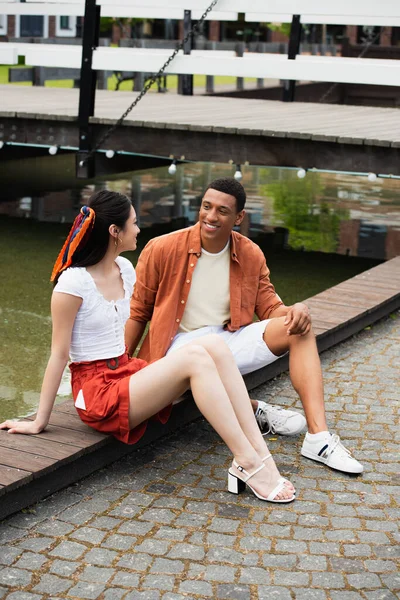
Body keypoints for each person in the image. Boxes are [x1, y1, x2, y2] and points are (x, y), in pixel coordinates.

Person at [0, 190, 296, 503]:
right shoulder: (72, 285)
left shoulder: (126, 270)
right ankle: (247, 462)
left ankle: (262, 459)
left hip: (126, 372)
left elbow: (136, 324)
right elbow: (59, 355)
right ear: (115, 231)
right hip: (96, 392)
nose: (139, 229)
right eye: (134, 223)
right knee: (196, 356)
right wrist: (39, 421)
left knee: (214, 346)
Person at [126, 178, 363, 475]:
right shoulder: (161, 248)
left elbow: (271, 309)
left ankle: (319, 438)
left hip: (227, 340)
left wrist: (297, 311)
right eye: (206, 207)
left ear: (238, 218)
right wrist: (117, 368)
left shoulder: (250, 253)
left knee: (299, 328)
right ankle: (254, 410)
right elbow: (138, 313)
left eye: (222, 211)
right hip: (177, 347)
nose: (211, 216)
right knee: (199, 364)